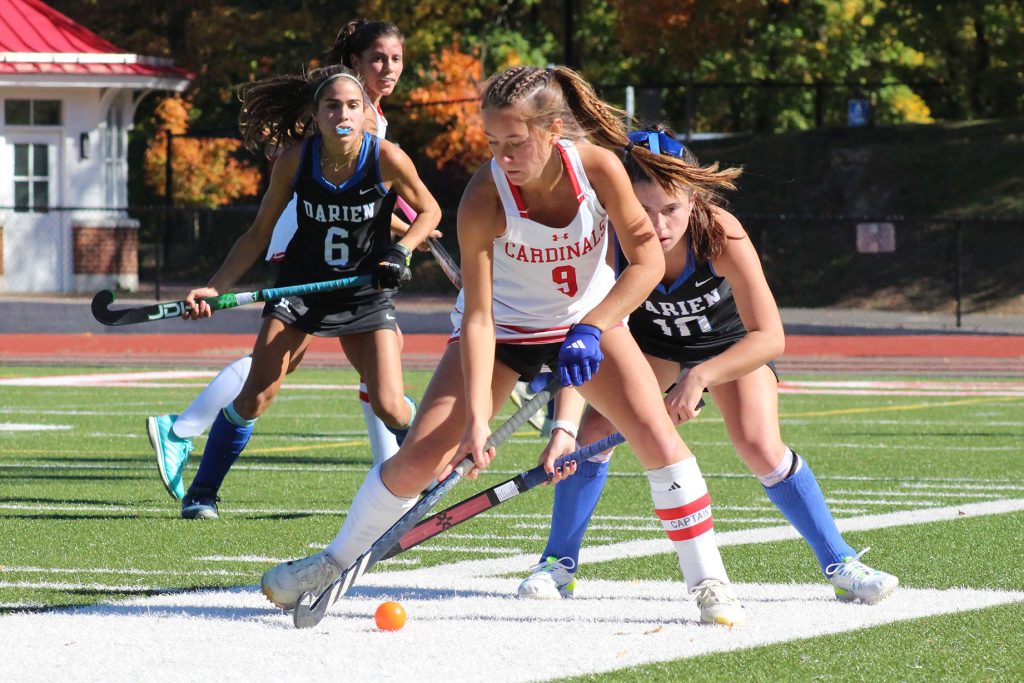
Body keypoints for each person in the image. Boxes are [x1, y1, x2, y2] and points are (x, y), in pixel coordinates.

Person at [260, 65, 748, 626]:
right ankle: (333, 561)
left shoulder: (598, 169)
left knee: (655, 437)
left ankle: (709, 581)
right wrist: (474, 424)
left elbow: (646, 261)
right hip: (505, 332)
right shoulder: (484, 196)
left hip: (586, 325)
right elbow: (480, 316)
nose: (504, 156)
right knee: (423, 455)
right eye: (493, 142)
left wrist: (595, 324)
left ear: (554, 130)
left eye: (516, 142)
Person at [517, 128, 899, 605]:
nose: (658, 226)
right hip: (651, 346)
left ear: (693, 197)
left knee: (760, 445)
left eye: (671, 209)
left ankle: (841, 562)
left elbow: (770, 335)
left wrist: (700, 375)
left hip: (728, 346)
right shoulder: (602, 238)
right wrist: (565, 429)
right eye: (643, 210)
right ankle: (558, 564)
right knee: (593, 434)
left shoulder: (720, 233)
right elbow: (586, 345)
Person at [147, 20, 427, 508]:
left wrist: (400, 247)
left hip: (363, 290)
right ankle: (202, 491)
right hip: (301, 284)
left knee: (388, 400)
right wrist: (214, 288)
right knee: (259, 390)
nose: (343, 114)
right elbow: (256, 233)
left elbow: (428, 209)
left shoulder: (385, 153)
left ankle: (422, 473)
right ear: (316, 115)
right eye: (332, 107)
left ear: (365, 114)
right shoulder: (296, 160)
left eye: (352, 107)